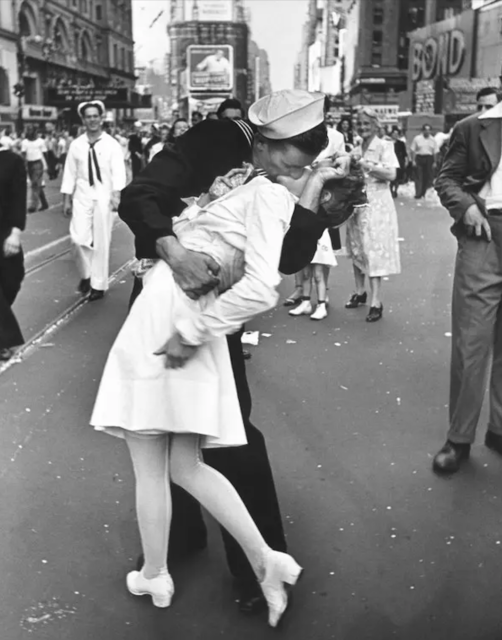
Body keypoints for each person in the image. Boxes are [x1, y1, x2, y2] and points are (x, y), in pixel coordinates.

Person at [92, 90, 340, 627]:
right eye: (300, 153)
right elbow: (140, 196)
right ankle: (178, 541)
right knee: (167, 436)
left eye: (313, 154)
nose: (303, 164)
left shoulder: (291, 176)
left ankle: (254, 564)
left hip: (215, 309)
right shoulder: (213, 140)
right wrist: (174, 252)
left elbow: (285, 260)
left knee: (228, 432)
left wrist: (316, 208)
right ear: (268, 142)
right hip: (170, 289)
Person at [432, 98, 502, 474]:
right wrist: (466, 207)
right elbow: (445, 178)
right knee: (471, 343)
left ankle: (499, 430)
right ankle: (459, 438)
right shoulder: (473, 127)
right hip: (485, 234)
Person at [61, 100, 126, 301]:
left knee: (101, 241)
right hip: (82, 196)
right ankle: (86, 275)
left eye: (95, 116)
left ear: (101, 118)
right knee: (78, 239)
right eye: (88, 117)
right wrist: (66, 199)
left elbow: (119, 172)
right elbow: (69, 173)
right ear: (83, 120)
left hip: (104, 197)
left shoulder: (111, 144)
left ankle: (98, 284)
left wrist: (117, 195)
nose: (92, 120)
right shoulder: (76, 145)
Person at [284, 97, 345, 310]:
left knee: (322, 251)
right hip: (297, 194)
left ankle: (322, 293)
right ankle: (300, 289)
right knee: (296, 240)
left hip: (324, 198)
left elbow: (341, 167)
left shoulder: (336, 137)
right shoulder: (297, 135)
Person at [345, 107, 401, 323]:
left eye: (367, 124)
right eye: (359, 124)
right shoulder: (356, 147)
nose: (362, 128)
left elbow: (391, 174)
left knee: (373, 250)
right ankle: (360, 291)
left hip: (378, 204)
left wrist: (365, 165)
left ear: (376, 125)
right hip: (357, 203)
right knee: (357, 247)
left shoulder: (385, 146)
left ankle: (376, 301)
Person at [0, 139, 27, 361]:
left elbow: (19, 198)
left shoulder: (12, 161)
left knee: (12, 279)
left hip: (5, 231)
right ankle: (5, 340)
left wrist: (15, 232)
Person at [21, 128, 49, 213]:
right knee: (36, 184)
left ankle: (33, 206)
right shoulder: (24, 142)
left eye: (31, 132)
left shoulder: (40, 141)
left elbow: (45, 153)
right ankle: (44, 203)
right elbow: (23, 154)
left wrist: (46, 164)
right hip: (29, 163)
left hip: (38, 163)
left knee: (35, 184)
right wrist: (23, 165)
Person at [410, 124, 438, 199]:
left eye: (429, 130)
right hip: (419, 157)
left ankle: (423, 192)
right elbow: (413, 150)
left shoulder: (433, 140)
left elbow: (435, 152)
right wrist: (413, 160)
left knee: (427, 176)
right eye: (425, 130)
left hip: (429, 158)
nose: (427, 131)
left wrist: (435, 162)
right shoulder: (417, 138)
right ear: (423, 131)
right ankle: (418, 193)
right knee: (418, 176)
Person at [390, 127, 408, 198]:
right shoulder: (388, 143)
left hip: (399, 161)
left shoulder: (401, 143)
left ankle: (395, 190)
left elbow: (404, 153)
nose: (395, 135)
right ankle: (391, 190)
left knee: (397, 177)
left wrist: (406, 161)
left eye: (397, 134)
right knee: (391, 177)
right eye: (394, 134)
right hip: (390, 161)